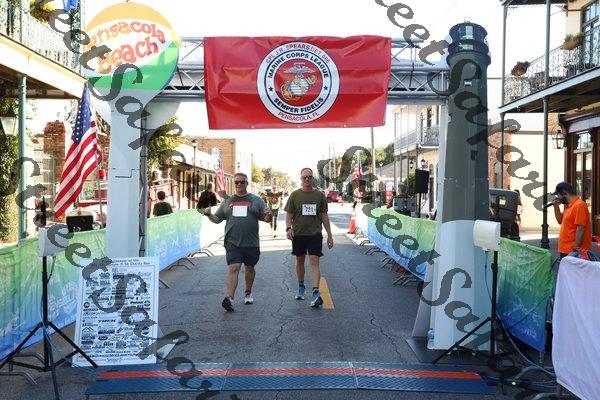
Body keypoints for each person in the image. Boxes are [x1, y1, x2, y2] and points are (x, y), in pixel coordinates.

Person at [203, 173, 272, 312]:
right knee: (233, 268)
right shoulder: (227, 201)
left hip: (251, 242)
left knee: (249, 268)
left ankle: (248, 292)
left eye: (242, 182)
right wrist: (209, 214)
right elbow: (217, 219)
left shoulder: (256, 200)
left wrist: (269, 214)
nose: (239, 184)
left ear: (247, 183)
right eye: (236, 182)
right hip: (232, 242)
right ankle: (229, 298)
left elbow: (266, 219)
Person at [285, 168, 334, 307]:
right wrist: (288, 228)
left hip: (315, 234)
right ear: (301, 179)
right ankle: (301, 287)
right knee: (300, 261)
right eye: (304, 177)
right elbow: (289, 215)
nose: (307, 179)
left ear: (313, 178)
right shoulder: (295, 195)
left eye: (309, 177)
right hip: (299, 234)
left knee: (314, 261)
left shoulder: (319, 196)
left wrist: (329, 235)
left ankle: (315, 292)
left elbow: (324, 216)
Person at [551, 181, 592, 259]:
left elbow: (580, 229)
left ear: (564, 193)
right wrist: (556, 207)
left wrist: (575, 250)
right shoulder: (569, 206)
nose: (557, 198)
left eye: (558, 195)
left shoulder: (579, 205)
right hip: (565, 249)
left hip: (574, 252)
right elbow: (560, 221)